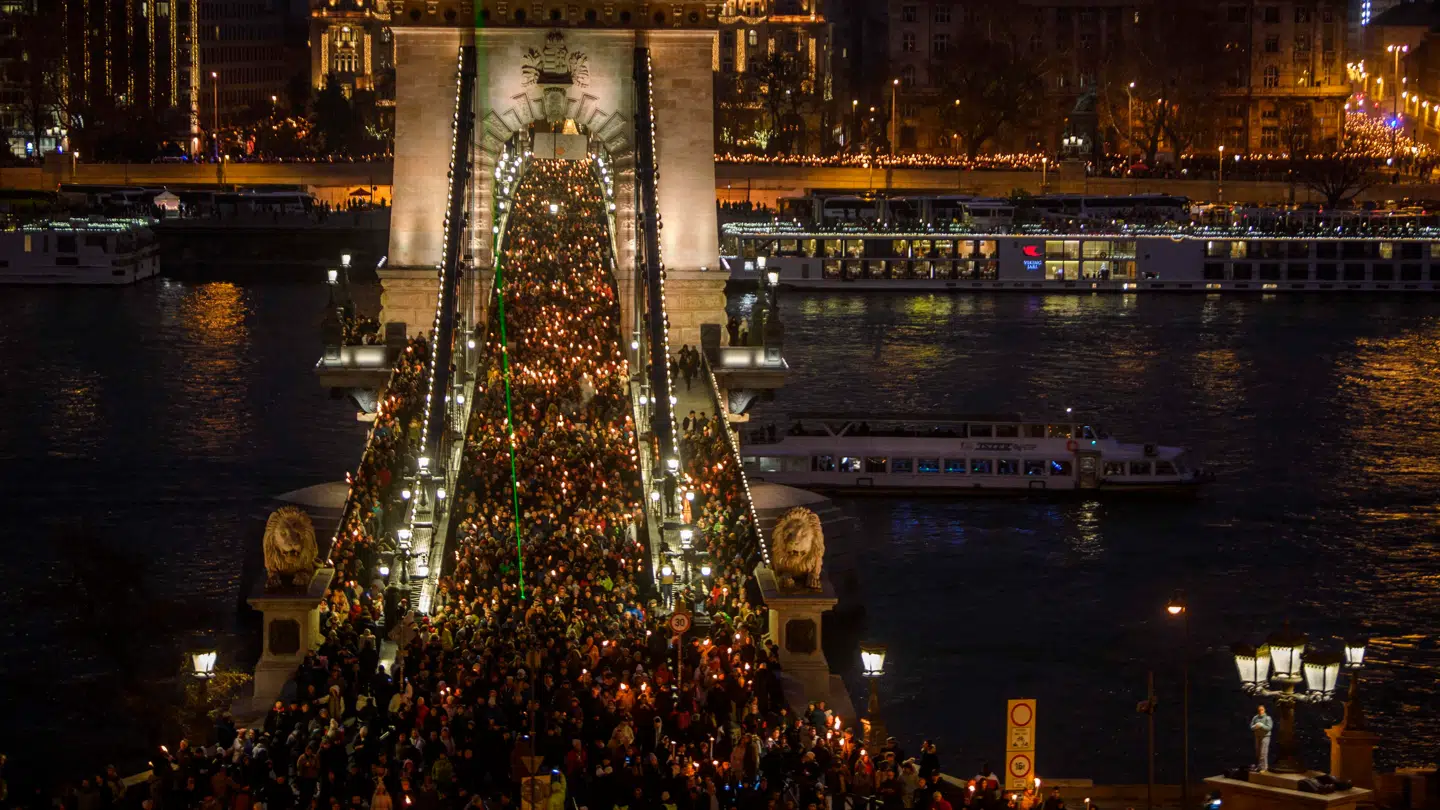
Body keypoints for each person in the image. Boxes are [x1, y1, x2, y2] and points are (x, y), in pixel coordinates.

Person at [1251, 705, 1273, 772]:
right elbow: (1251, 727)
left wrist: (1262, 725)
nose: (1260, 711)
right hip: (1257, 736)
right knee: (1258, 752)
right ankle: (1259, 766)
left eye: (1262, 710)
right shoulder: (1255, 717)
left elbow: (1269, 728)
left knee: (1263, 753)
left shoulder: (1268, 718)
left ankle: (1264, 767)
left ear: (1264, 710)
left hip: (1265, 737)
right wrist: (1255, 726)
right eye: (1259, 710)